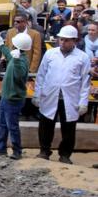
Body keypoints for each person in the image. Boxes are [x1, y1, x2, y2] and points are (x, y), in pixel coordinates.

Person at [33, 25, 92, 164]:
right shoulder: (50, 54)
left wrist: (84, 102)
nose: (63, 43)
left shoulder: (82, 57)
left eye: (66, 40)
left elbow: (85, 82)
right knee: (46, 125)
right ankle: (44, 150)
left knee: (69, 128)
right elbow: (41, 75)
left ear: (74, 41)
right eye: (61, 39)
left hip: (70, 98)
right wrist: (37, 94)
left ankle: (65, 154)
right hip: (50, 96)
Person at [0, 33, 32, 160]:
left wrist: (17, 61)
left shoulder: (21, 61)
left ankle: (17, 151)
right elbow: (8, 54)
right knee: (2, 123)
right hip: (6, 97)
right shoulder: (15, 56)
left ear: (16, 45)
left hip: (13, 99)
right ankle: (1, 148)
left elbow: (19, 76)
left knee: (12, 126)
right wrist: (1, 44)